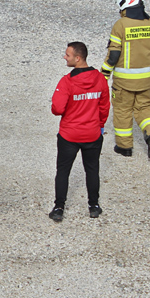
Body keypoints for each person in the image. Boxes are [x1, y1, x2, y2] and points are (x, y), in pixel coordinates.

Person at [101, 0, 150, 159]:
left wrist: (104, 74)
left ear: (125, 3)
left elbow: (114, 54)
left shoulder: (121, 25)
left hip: (124, 83)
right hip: (146, 81)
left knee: (123, 111)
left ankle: (125, 147)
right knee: (145, 108)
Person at [49, 42, 110, 222]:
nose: (64, 57)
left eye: (67, 55)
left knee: (63, 171)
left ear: (78, 58)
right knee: (92, 170)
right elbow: (104, 107)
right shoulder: (100, 79)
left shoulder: (67, 81)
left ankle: (59, 207)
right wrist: (99, 126)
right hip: (92, 133)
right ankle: (94, 205)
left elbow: (57, 108)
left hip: (69, 135)